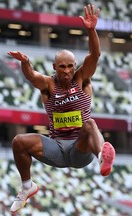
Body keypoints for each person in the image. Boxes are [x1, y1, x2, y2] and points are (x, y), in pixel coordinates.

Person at [7, 4, 115, 214]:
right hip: (56, 149)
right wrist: (26, 62)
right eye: (62, 67)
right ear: (54, 68)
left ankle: (103, 156)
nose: (67, 71)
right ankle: (27, 187)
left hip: (80, 149)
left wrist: (91, 30)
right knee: (19, 142)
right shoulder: (48, 85)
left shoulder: (82, 79)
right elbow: (31, 77)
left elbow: (95, 55)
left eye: (70, 66)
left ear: (75, 66)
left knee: (90, 124)